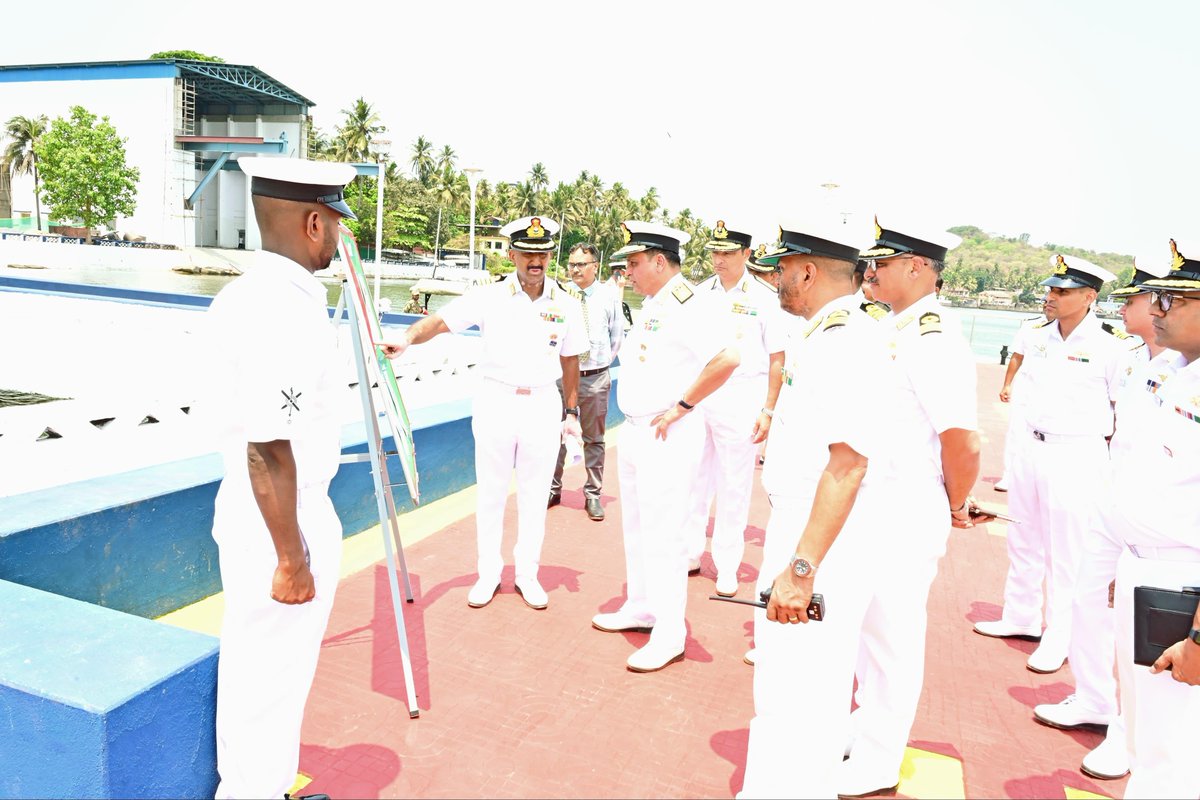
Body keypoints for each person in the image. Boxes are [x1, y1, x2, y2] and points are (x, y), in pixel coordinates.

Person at [199, 156, 358, 799]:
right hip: (280, 521)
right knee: (267, 685)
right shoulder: (281, 310)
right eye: (337, 223)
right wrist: (292, 558)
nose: (340, 236)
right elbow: (268, 447)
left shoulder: (248, 295)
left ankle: (261, 789)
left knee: (266, 680)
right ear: (314, 223)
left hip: (264, 512)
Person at [738, 223, 903, 799]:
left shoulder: (845, 342)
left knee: (807, 689)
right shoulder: (822, 333)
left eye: (782, 269)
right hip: (804, 525)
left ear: (807, 272)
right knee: (782, 683)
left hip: (820, 537)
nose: (776, 279)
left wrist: (802, 568)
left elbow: (848, 465)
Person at [839, 219, 983, 797]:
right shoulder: (893, 327)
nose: (872, 270)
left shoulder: (933, 336)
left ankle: (879, 759)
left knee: (893, 635)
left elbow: (963, 441)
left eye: (884, 261)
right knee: (866, 630)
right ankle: (862, 727)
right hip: (872, 499)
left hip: (905, 504)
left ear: (919, 267)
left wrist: (955, 503)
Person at [382, 215, 586, 610]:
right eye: (527, 254)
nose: (535, 261)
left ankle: (527, 574)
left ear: (550, 257)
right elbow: (440, 322)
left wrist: (572, 412)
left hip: (542, 404)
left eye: (542, 254)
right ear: (512, 255)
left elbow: (571, 359)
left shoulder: (567, 304)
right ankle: (489, 573)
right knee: (491, 493)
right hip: (497, 401)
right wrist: (406, 338)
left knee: (534, 495)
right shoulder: (489, 297)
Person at [1034, 254, 1175, 782]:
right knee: (1087, 600)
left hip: (1166, 529)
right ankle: (1094, 698)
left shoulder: (1179, 367)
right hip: (1116, 503)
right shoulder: (1138, 358)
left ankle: (1129, 737)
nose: (1130, 307)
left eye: (1139, 298)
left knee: (1144, 634)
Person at [590, 221, 740, 673]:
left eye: (635, 263)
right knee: (637, 527)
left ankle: (670, 632)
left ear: (660, 261)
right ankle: (642, 606)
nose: (628, 272)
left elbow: (727, 357)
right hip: (638, 431)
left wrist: (683, 406)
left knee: (665, 533)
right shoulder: (655, 303)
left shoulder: (688, 303)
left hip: (667, 434)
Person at [974, 254, 1134, 675]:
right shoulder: (1039, 337)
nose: (1051, 296)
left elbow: (1122, 409)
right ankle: (1020, 615)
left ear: (1089, 297)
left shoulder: (1109, 347)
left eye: (1062, 291)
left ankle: (1060, 636)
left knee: (1067, 552)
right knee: (1022, 536)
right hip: (1032, 446)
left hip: (1077, 454)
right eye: (1050, 289)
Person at [1104, 239, 1200, 798]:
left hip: (1185, 590)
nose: (1157, 310)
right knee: (1146, 743)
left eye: (1172, 299)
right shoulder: (1169, 371)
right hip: (1146, 570)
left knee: (1176, 755)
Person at [684, 221, 786, 596]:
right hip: (702, 394)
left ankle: (727, 564)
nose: (719, 259)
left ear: (746, 253)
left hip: (742, 395)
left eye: (728, 252)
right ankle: (689, 551)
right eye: (715, 251)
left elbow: (778, 358)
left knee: (733, 485)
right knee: (694, 478)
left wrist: (768, 410)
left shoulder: (765, 299)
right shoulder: (699, 294)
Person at [549, 243, 625, 520]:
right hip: (561, 378)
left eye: (581, 264)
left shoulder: (609, 296)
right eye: (572, 264)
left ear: (595, 266)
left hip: (594, 378)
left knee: (594, 439)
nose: (575, 269)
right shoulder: (558, 295)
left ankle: (593, 494)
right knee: (555, 435)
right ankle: (552, 488)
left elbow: (616, 338)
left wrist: (596, 365)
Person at [995, 300, 1057, 492]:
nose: (1047, 305)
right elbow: (1017, 356)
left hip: (1053, 393)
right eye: (1045, 301)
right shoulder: (1031, 326)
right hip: (1026, 390)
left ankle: (1039, 478)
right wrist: (1007, 384)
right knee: (1016, 432)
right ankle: (1009, 475)